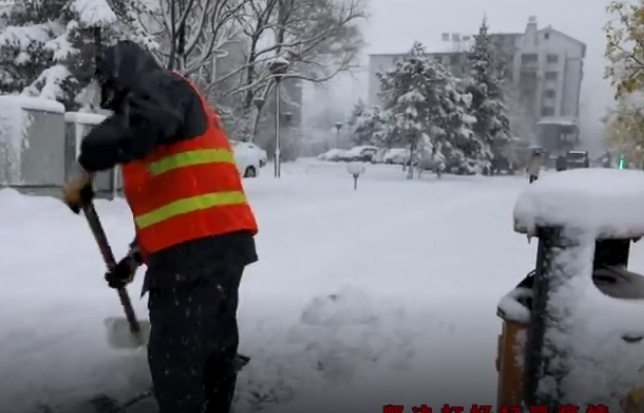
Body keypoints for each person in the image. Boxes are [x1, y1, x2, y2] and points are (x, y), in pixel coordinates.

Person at [62, 40, 258, 413]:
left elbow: (142, 123)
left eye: (107, 89)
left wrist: (87, 161)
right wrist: (134, 260)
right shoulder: (167, 111)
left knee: (176, 361)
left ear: (121, 77)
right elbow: (173, 207)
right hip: (220, 244)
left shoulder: (161, 89)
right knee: (213, 348)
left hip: (194, 254)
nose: (107, 101)